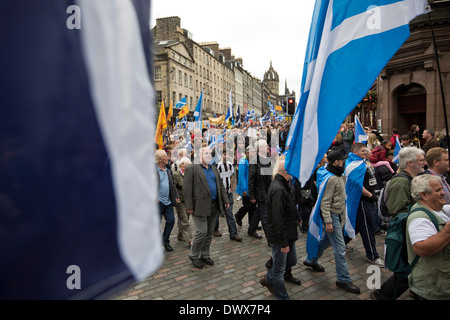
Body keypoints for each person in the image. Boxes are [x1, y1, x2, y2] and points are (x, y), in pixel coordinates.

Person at [370, 146, 426, 300]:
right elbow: (397, 212)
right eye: (421, 160)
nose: (424, 163)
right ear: (410, 163)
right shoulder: (401, 182)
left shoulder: (410, 179)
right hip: (404, 233)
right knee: (405, 271)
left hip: (410, 231)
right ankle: (381, 295)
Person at [303, 150, 360, 294]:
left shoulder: (337, 174)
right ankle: (343, 279)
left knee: (325, 241)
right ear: (335, 162)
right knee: (340, 249)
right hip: (333, 217)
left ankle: (311, 260)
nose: (344, 163)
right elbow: (325, 202)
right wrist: (328, 222)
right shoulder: (332, 178)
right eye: (342, 160)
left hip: (338, 215)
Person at [259, 156, 300, 300]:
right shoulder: (278, 188)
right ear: (286, 172)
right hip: (280, 236)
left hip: (289, 231)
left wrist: (298, 217)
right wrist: (283, 242)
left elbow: (290, 205)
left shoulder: (285, 184)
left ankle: (268, 278)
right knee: (279, 269)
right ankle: (282, 296)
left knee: (292, 260)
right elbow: (277, 218)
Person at [183, 147, 229, 268]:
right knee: (201, 232)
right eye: (206, 153)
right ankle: (194, 255)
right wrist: (189, 206)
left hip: (214, 206)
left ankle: (205, 254)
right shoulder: (192, 168)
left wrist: (225, 200)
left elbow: (220, 186)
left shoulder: (214, 168)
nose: (209, 155)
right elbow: (186, 189)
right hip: (199, 206)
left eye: (210, 154)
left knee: (209, 233)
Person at [406, 174, 450, 300]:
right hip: (434, 288)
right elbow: (421, 249)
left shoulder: (437, 208)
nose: (443, 193)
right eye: (438, 190)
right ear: (424, 195)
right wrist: (447, 231)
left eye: (442, 188)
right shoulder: (419, 218)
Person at [344, 143, 383, 266]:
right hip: (362, 201)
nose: (366, 152)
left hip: (368, 199)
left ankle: (340, 243)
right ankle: (372, 255)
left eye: (366, 150)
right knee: (367, 228)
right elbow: (356, 185)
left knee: (356, 226)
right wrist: (370, 195)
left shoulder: (363, 162)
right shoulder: (355, 165)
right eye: (362, 151)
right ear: (355, 152)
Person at [155, 149, 180, 252]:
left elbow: (173, 185)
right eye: (165, 156)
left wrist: (176, 196)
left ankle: (165, 241)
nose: (168, 158)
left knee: (171, 221)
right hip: (158, 202)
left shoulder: (168, 170)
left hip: (168, 201)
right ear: (160, 159)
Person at [248, 139, 273, 239]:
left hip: (268, 191)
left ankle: (251, 229)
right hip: (260, 193)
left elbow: (269, 177)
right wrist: (252, 195)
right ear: (260, 148)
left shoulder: (268, 159)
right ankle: (271, 240)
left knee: (260, 212)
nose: (268, 147)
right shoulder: (254, 161)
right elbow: (251, 179)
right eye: (266, 146)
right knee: (265, 217)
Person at [216, 148, 243, 242]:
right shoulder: (217, 166)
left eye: (228, 154)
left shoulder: (230, 164)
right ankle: (214, 229)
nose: (226, 156)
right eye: (224, 154)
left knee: (229, 213)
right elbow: (216, 180)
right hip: (220, 194)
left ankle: (233, 233)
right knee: (216, 213)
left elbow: (231, 177)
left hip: (228, 193)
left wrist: (231, 189)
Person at [173, 157, 193, 248]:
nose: (186, 165)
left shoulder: (190, 175)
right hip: (180, 200)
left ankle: (180, 235)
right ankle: (189, 240)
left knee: (185, 218)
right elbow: (174, 187)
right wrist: (176, 197)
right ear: (181, 165)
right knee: (184, 219)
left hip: (188, 200)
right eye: (184, 163)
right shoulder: (176, 174)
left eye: (188, 164)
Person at [235, 146, 257, 227]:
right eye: (253, 152)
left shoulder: (252, 160)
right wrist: (244, 189)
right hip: (245, 188)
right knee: (248, 205)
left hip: (251, 187)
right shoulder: (242, 162)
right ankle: (238, 215)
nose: (254, 154)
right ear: (248, 153)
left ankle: (252, 224)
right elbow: (241, 177)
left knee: (253, 207)